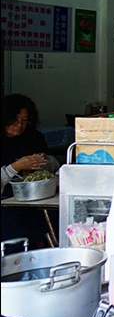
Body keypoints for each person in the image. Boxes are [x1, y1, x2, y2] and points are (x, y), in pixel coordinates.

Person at [2, 94, 59, 247]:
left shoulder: (34, 137)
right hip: (6, 204)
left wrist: (43, 161)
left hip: (37, 199)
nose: (19, 125)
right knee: (11, 225)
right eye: (14, 121)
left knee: (55, 217)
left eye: (24, 120)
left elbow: (54, 167)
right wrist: (17, 166)